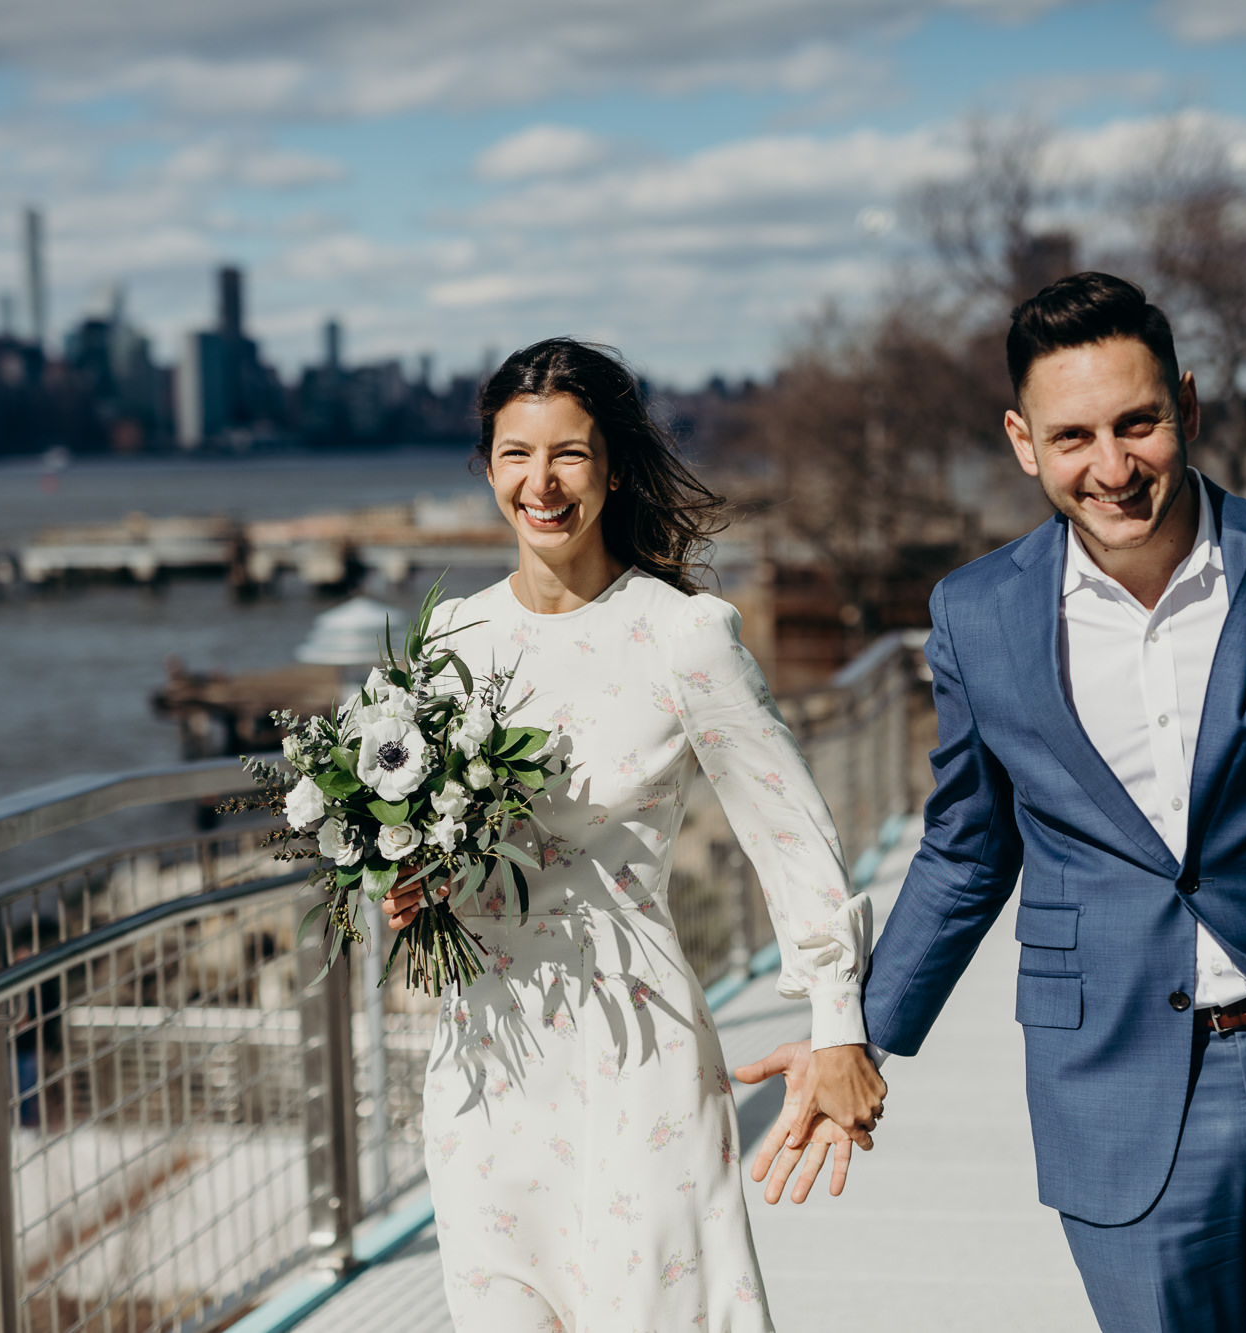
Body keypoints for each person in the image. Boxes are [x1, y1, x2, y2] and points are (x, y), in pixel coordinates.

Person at [749, 273, 1246, 1331]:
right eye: (1072, 436)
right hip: (1112, 1090)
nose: (1112, 467)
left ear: (1187, 403)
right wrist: (856, 1029)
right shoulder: (975, 615)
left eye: (1138, 424)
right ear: (1021, 441)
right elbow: (964, 851)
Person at [380, 337, 888, 1332]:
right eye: (516, 454)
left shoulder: (682, 634)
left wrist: (837, 1021)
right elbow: (439, 833)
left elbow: (791, 836)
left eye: (569, 453)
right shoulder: (450, 642)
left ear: (611, 468)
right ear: (486, 468)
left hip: (632, 1045)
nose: (542, 481)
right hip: (484, 1051)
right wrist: (415, 887)